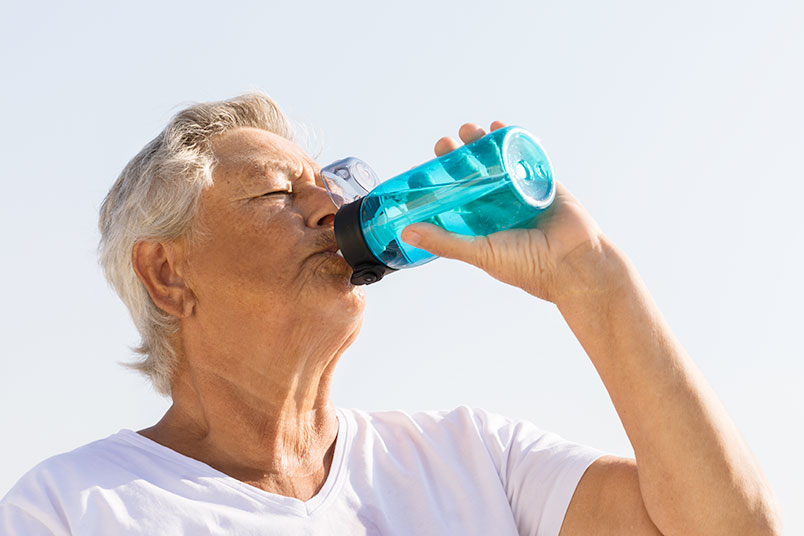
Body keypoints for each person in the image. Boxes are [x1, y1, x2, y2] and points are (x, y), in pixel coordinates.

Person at [0, 93, 781, 535]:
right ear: (168, 274)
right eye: (277, 193)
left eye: (328, 185)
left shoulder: (474, 460)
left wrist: (593, 279)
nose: (329, 209)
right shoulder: (73, 509)